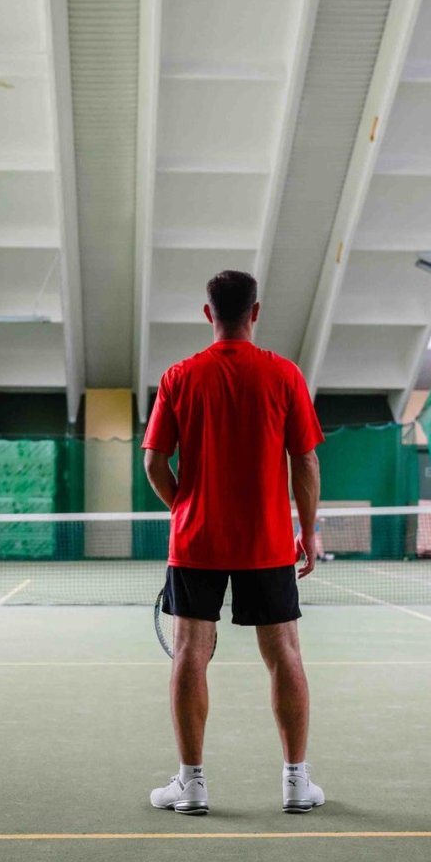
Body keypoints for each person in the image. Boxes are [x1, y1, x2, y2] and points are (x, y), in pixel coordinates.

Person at [142, 270, 325, 815]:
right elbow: (307, 461)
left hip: (196, 542)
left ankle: (191, 785)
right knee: (285, 654)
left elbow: (154, 462)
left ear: (208, 314)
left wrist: (184, 508)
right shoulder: (284, 375)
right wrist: (307, 532)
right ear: (255, 312)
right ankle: (296, 783)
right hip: (268, 543)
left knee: (190, 654)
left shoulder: (180, 377)